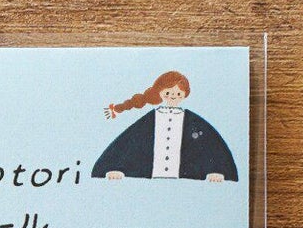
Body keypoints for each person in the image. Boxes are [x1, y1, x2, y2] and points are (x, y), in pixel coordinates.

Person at [92, 71, 237, 182]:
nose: (173, 96)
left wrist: (217, 170)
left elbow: (210, 146)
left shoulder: (194, 123)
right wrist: (115, 168)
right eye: (168, 92)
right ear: (160, 93)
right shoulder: (149, 121)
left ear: (185, 94)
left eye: (178, 93)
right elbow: (128, 143)